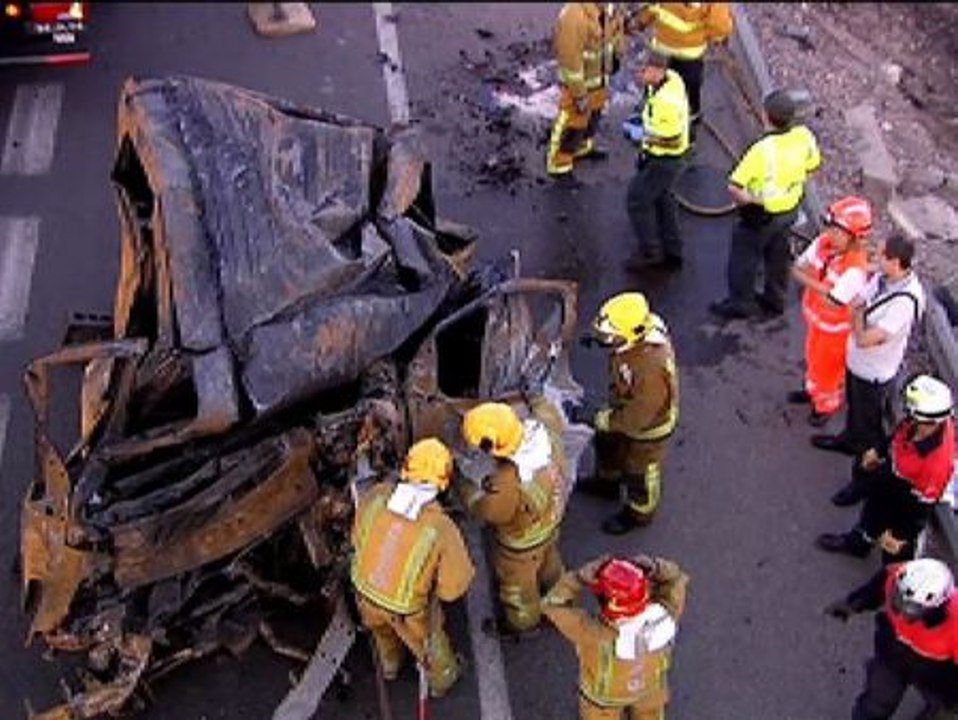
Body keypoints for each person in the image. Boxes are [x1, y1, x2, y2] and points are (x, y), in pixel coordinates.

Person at [350, 437, 475, 697]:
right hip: (406, 611)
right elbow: (454, 587)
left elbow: (357, 539)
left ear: (406, 468)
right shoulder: (441, 528)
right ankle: (442, 679)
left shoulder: (377, 496)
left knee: (382, 633)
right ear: (443, 482)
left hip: (364, 593)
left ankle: (390, 665)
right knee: (429, 645)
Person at [457, 399, 569, 637]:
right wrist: (535, 399)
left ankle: (523, 624)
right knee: (550, 565)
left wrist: (464, 486)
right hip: (550, 524)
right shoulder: (544, 435)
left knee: (518, 588)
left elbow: (485, 510)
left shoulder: (508, 483)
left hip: (521, 547)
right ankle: (561, 600)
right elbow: (548, 412)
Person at [709, 89, 821, 320]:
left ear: (765, 116)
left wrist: (750, 200)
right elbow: (812, 167)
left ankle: (741, 303)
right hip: (790, 210)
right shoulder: (804, 136)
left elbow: (735, 187)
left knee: (744, 258)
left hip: (761, 215)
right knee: (778, 255)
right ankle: (775, 299)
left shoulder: (761, 151)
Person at [816, 374, 955, 562]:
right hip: (893, 475)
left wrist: (902, 535)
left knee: (892, 551)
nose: (908, 415)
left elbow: (920, 508)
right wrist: (880, 451)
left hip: (907, 496)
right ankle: (859, 543)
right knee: (873, 510)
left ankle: (890, 572)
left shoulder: (935, 465)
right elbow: (900, 434)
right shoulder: (924, 422)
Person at [811, 234, 925, 456]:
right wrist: (858, 313)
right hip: (857, 362)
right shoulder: (883, 278)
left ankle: (865, 455)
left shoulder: (905, 302)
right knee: (856, 408)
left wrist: (856, 314)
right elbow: (859, 301)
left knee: (867, 417)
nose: (874, 257)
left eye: (880, 255)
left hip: (872, 371)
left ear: (895, 262)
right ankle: (850, 439)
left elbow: (865, 339)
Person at [542, 554, 690, 720]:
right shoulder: (666, 614)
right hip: (649, 688)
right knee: (650, 714)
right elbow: (676, 579)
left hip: (605, 700)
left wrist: (579, 578)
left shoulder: (594, 633)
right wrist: (656, 567)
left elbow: (552, 604)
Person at [583, 292, 680, 535]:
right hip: (624, 407)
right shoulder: (636, 332)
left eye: (609, 337)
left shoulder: (650, 368)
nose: (606, 340)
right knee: (607, 443)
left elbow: (640, 416)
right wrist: (598, 340)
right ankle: (607, 484)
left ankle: (638, 513)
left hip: (647, 427)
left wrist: (601, 419)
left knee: (639, 472)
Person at [825, 558, 958, 719]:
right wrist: (851, 605)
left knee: (943, 701)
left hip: (935, 671)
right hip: (891, 653)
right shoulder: (897, 576)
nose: (901, 612)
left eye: (912, 608)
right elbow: (875, 590)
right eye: (899, 599)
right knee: (875, 703)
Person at [788, 196, 872, 427]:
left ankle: (825, 406)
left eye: (838, 231)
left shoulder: (855, 270)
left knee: (827, 373)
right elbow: (796, 269)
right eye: (831, 227)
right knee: (813, 360)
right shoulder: (824, 242)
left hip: (835, 333)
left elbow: (833, 303)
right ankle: (812, 391)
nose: (831, 234)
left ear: (855, 237)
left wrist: (815, 284)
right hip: (816, 321)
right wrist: (824, 288)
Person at [624, 49, 691, 271]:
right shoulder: (671, 79)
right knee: (663, 198)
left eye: (642, 70)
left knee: (637, 200)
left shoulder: (666, 102)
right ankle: (673, 249)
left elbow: (670, 140)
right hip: (667, 159)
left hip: (663, 160)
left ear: (657, 70)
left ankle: (651, 252)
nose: (638, 75)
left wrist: (641, 135)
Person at [634, 3, 733, 129]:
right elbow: (721, 27)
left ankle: (652, 112)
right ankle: (690, 116)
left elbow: (651, 7)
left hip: (663, 46)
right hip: (690, 52)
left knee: (655, 82)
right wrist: (711, 37)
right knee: (688, 88)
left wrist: (641, 21)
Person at [548, 3, 617, 178]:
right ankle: (560, 165)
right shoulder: (573, 15)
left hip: (599, 79)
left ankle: (582, 147)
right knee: (573, 122)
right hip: (580, 85)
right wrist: (579, 93)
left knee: (593, 115)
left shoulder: (607, 9)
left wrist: (616, 55)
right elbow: (570, 61)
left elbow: (615, 34)